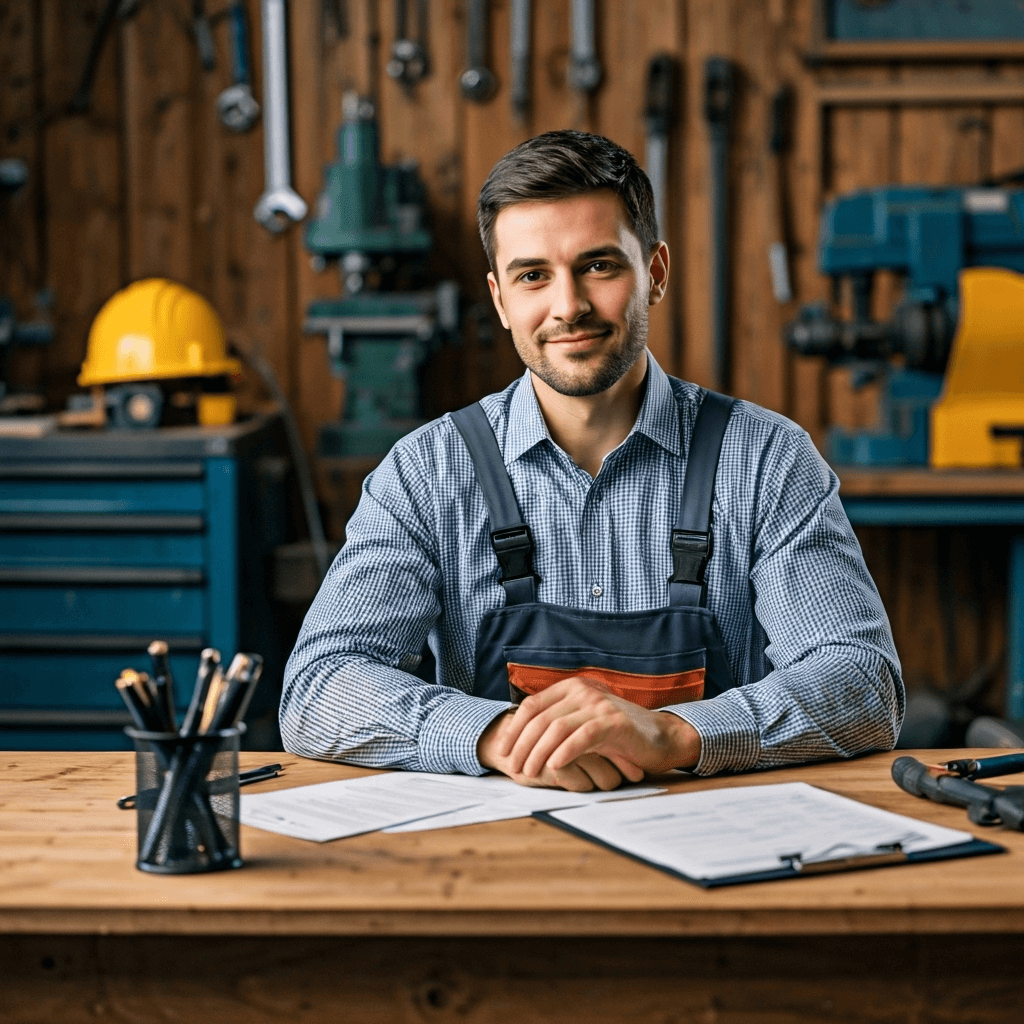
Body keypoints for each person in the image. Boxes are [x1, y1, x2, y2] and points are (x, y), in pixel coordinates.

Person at [280, 130, 904, 792]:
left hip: (717, 850)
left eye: (599, 266)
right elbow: (321, 684)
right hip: (494, 857)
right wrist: (496, 737)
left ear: (655, 274)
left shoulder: (765, 459)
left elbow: (861, 679)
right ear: (500, 300)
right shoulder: (427, 473)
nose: (568, 305)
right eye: (533, 276)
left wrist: (675, 735)